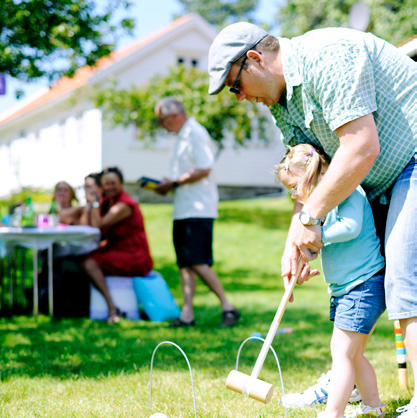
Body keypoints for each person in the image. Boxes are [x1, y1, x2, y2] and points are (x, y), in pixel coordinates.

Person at [208, 23, 416, 416]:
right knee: (365, 289)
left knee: (404, 279)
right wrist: (296, 238)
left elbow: (361, 145)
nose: (239, 99)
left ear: (254, 59)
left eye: (235, 86)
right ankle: (347, 378)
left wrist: (311, 217)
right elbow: (309, 182)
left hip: (412, 159)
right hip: (374, 181)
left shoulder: (328, 55)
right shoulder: (282, 103)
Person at [276, 144, 386, 417]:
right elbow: (321, 240)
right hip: (345, 289)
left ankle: (333, 412)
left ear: (311, 177)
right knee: (353, 354)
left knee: (341, 352)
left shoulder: (348, 191)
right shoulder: (322, 207)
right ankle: (373, 406)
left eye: (294, 188)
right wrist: (306, 258)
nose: (294, 195)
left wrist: (319, 236)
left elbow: (350, 227)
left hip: (363, 285)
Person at [154, 97, 240, 328]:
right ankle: (187, 315)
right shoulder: (182, 136)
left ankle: (228, 307)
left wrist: (173, 183)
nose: (162, 125)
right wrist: (171, 184)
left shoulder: (195, 133)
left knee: (198, 261)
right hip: (183, 208)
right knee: (185, 263)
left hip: (198, 208)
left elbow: (204, 168)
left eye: (162, 120)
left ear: (174, 115)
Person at [82, 167, 153, 324]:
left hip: (135, 256)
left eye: (113, 183)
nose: (109, 187)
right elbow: (91, 225)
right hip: (118, 251)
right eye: (106, 184)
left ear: (121, 183)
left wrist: (93, 204)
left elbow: (99, 224)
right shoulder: (108, 202)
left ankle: (112, 307)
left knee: (89, 262)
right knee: (85, 258)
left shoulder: (124, 205)